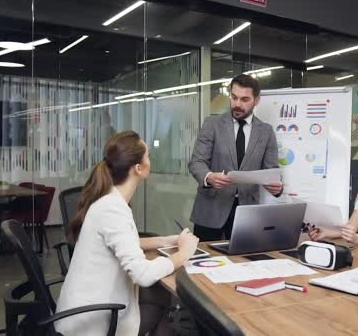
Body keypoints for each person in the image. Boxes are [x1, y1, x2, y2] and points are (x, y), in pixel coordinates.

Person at [55, 131, 199, 336]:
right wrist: (184, 253)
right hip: (93, 323)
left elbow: (124, 242)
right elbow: (143, 274)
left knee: (160, 296)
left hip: (89, 307)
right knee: (167, 305)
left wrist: (166, 240)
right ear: (138, 168)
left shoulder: (109, 201)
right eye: (148, 155)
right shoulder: (113, 209)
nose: (151, 160)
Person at [188, 74, 283, 241]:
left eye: (245, 99)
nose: (237, 104)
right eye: (234, 97)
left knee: (243, 264)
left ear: (256, 100)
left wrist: (276, 187)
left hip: (247, 213)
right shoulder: (212, 124)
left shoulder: (266, 132)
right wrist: (209, 177)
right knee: (204, 264)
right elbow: (197, 162)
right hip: (211, 210)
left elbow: (271, 170)